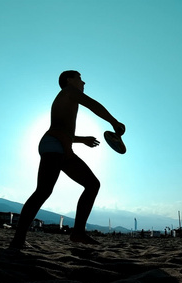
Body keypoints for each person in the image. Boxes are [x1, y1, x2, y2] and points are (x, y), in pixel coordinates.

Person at [10, 70, 125, 249]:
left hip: (61, 144)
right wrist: (114, 121)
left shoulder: (68, 97)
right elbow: (93, 104)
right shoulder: (69, 91)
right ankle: (18, 239)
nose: (83, 82)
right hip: (54, 143)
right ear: (69, 80)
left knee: (92, 184)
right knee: (43, 191)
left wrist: (80, 139)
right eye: (80, 78)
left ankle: (78, 232)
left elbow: (63, 129)